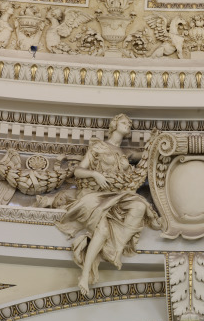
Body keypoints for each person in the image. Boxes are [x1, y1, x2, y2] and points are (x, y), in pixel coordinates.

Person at [56, 114, 160, 295]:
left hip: (118, 196)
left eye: (130, 123)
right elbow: (79, 171)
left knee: (140, 206)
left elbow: (148, 156)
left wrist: (161, 142)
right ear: (114, 125)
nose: (128, 124)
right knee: (103, 230)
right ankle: (85, 274)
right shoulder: (98, 146)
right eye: (124, 122)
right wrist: (94, 175)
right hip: (95, 196)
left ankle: (113, 249)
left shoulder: (126, 154)